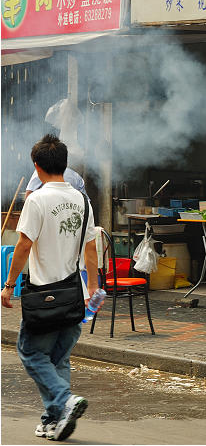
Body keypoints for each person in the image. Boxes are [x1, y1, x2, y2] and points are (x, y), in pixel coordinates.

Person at [2, 134, 98, 441]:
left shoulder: (37, 199)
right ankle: (53, 420)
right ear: (64, 164)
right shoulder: (83, 200)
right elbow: (92, 249)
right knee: (58, 359)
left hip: (46, 296)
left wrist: (8, 285)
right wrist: (94, 289)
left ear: (37, 167)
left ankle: (64, 400)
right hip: (77, 296)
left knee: (30, 352)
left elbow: (23, 245)